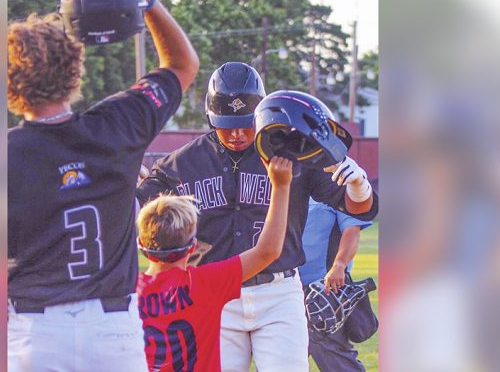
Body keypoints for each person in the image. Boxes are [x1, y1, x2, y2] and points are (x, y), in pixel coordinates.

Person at [136, 62, 377, 371]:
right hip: (214, 295)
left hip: (279, 292)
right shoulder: (182, 163)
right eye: (226, 124)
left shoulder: (291, 151)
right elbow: (135, 208)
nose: (236, 133)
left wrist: (359, 185)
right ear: (210, 118)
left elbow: (357, 207)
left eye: (245, 123)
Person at [7, 0, 199, 370]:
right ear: (74, 69)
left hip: (35, 332)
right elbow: (181, 64)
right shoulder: (117, 124)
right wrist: (148, 3)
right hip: (113, 330)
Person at [137, 157, 293, 371]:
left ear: (141, 245)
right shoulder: (205, 284)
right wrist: (281, 186)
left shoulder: (127, 292)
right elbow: (268, 251)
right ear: (192, 246)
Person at [300, 197, 373, 372]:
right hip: (285, 288)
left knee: (336, 360)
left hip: (324, 291)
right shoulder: (289, 182)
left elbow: (352, 231)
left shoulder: (337, 186)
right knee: (279, 360)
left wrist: (339, 265)